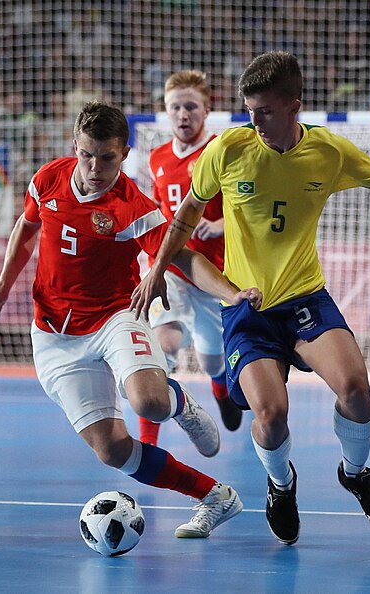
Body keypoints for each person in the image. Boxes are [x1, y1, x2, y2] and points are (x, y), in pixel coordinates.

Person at [131, 51, 370, 545]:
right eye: (248, 110)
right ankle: (281, 485)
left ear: (294, 106)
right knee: (272, 417)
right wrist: (155, 275)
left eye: (265, 112)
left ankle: (354, 473)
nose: (253, 121)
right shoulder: (229, 149)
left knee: (357, 389)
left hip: (305, 300)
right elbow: (187, 217)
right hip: (248, 309)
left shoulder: (328, 152)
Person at [0, 102, 259, 539]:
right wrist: (2, 285)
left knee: (148, 402)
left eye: (107, 157)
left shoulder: (132, 206)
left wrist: (232, 293)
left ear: (125, 153)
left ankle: (179, 403)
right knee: (112, 450)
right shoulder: (47, 179)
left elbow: (183, 254)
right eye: (87, 154)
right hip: (54, 337)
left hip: (115, 316)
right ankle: (216, 497)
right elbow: (26, 229)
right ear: (76, 146)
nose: (94, 167)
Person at [138, 70, 242, 448]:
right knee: (164, 343)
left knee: (212, 360)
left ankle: (220, 388)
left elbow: (247, 206)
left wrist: (220, 222)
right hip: (173, 268)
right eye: (175, 107)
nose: (183, 114)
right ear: (166, 112)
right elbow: (156, 207)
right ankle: (148, 442)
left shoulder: (221, 151)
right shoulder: (156, 158)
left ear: (207, 109)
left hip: (212, 273)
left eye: (191, 107)